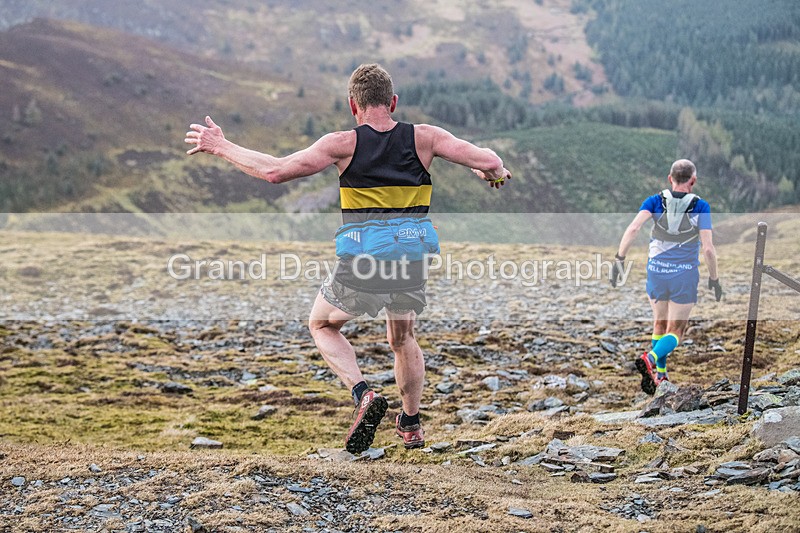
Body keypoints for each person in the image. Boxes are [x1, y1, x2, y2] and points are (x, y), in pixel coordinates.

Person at [185, 63, 511, 453]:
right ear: (392, 102)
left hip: (366, 260)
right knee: (402, 337)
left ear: (353, 106)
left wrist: (220, 145)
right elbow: (490, 161)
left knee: (322, 324)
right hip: (411, 258)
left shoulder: (343, 144)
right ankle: (410, 424)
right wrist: (488, 172)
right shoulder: (426, 137)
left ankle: (363, 394)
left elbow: (275, 171)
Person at [610, 159, 721, 395]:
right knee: (676, 331)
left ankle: (660, 375)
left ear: (670, 178)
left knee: (659, 323)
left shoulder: (654, 201)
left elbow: (633, 229)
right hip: (684, 275)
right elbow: (708, 249)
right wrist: (714, 278)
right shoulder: (701, 207)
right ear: (693, 180)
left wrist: (619, 260)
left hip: (656, 271)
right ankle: (650, 359)